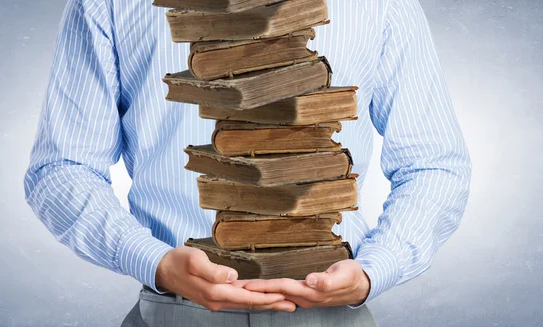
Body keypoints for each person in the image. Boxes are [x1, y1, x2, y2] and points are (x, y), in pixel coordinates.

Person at [24, 0, 471, 326]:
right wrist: (154, 261)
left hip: (331, 313)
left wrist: (376, 269)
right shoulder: (110, 4)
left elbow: (433, 163)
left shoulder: (381, 5)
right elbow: (62, 167)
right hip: (172, 313)